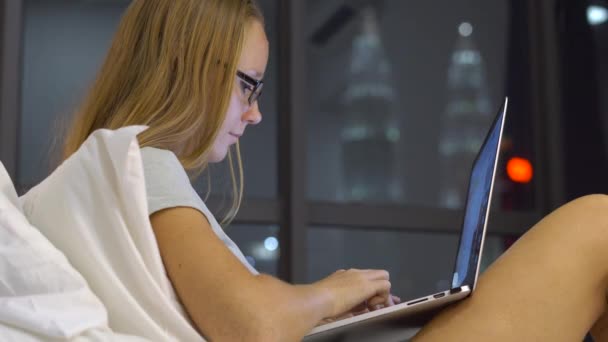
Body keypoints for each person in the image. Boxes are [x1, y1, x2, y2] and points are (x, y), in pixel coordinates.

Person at [60, 0, 608, 341]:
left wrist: (324, 320)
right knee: (597, 226)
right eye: (248, 86)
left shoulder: (124, 175)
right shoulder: (142, 162)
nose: (255, 114)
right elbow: (250, 326)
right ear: (189, 67)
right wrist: (335, 291)